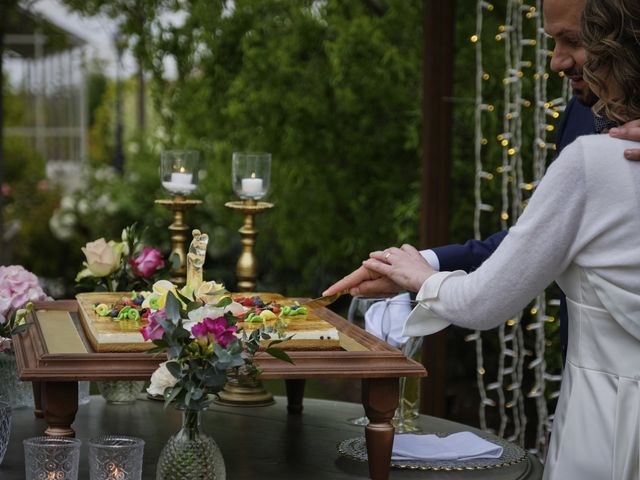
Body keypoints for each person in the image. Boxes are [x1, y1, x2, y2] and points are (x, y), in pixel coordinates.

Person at [332, 0, 640, 478]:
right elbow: (540, 240)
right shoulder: (588, 127)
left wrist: (421, 278)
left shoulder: (592, 159)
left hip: (607, 418)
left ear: (617, 42)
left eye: (575, 41)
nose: (557, 61)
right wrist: (421, 265)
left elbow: (483, 303)